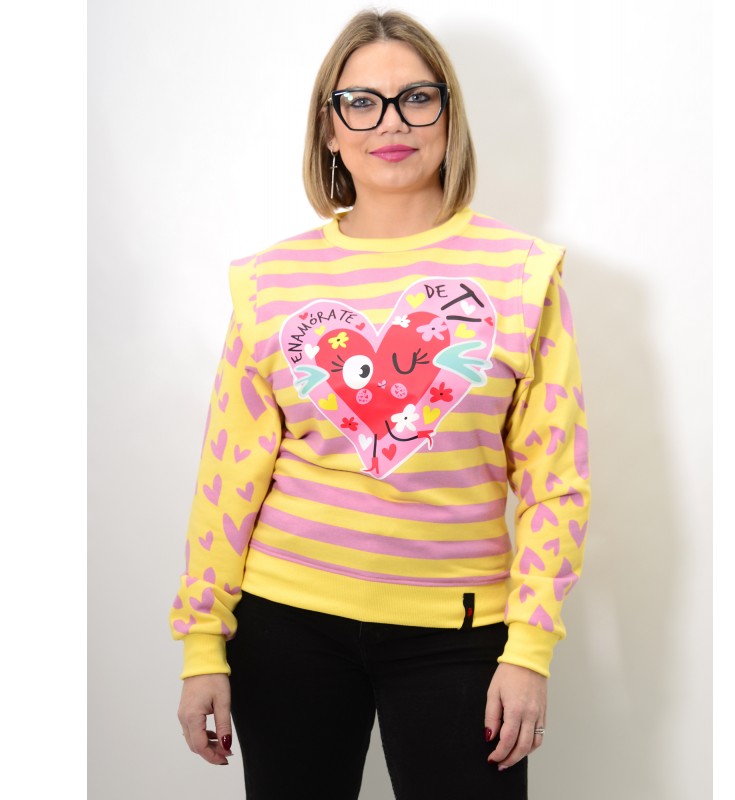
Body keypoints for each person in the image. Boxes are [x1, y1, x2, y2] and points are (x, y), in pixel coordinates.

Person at [171, 8, 590, 799]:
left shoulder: (522, 274)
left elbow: (555, 482)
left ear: (448, 118)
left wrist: (530, 650)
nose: (390, 122)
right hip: (285, 624)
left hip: (460, 635)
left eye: (416, 98)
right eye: (360, 102)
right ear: (329, 129)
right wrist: (202, 646)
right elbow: (228, 481)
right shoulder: (268, 282)